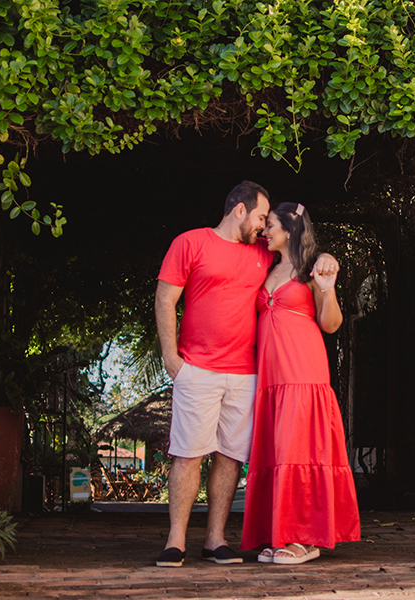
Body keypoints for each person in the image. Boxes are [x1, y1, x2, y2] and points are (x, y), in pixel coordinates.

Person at [154, 182, 338, 568]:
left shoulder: (264, 255)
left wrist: (327, 260)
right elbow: (165, 297)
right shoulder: (191, 243)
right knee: (187, 454)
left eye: (268, 223)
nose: (262, 228)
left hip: (248, 374)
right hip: (200, 368)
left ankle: (216, 541)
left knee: (230, 457)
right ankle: (176, 542)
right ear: (240, 210)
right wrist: (171, 357)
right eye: (260, 218)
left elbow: (304, 255)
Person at [240, 202, 361, 565]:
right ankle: (280, 533)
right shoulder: (266, 267)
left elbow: (331, 324)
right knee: (278, 453)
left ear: (291, 230)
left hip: (302, 374)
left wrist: (328, 288)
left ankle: (305, 539)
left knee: (300, 451)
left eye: (271, 225)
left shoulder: (313, 271)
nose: (265, 231)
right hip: (271, 380)